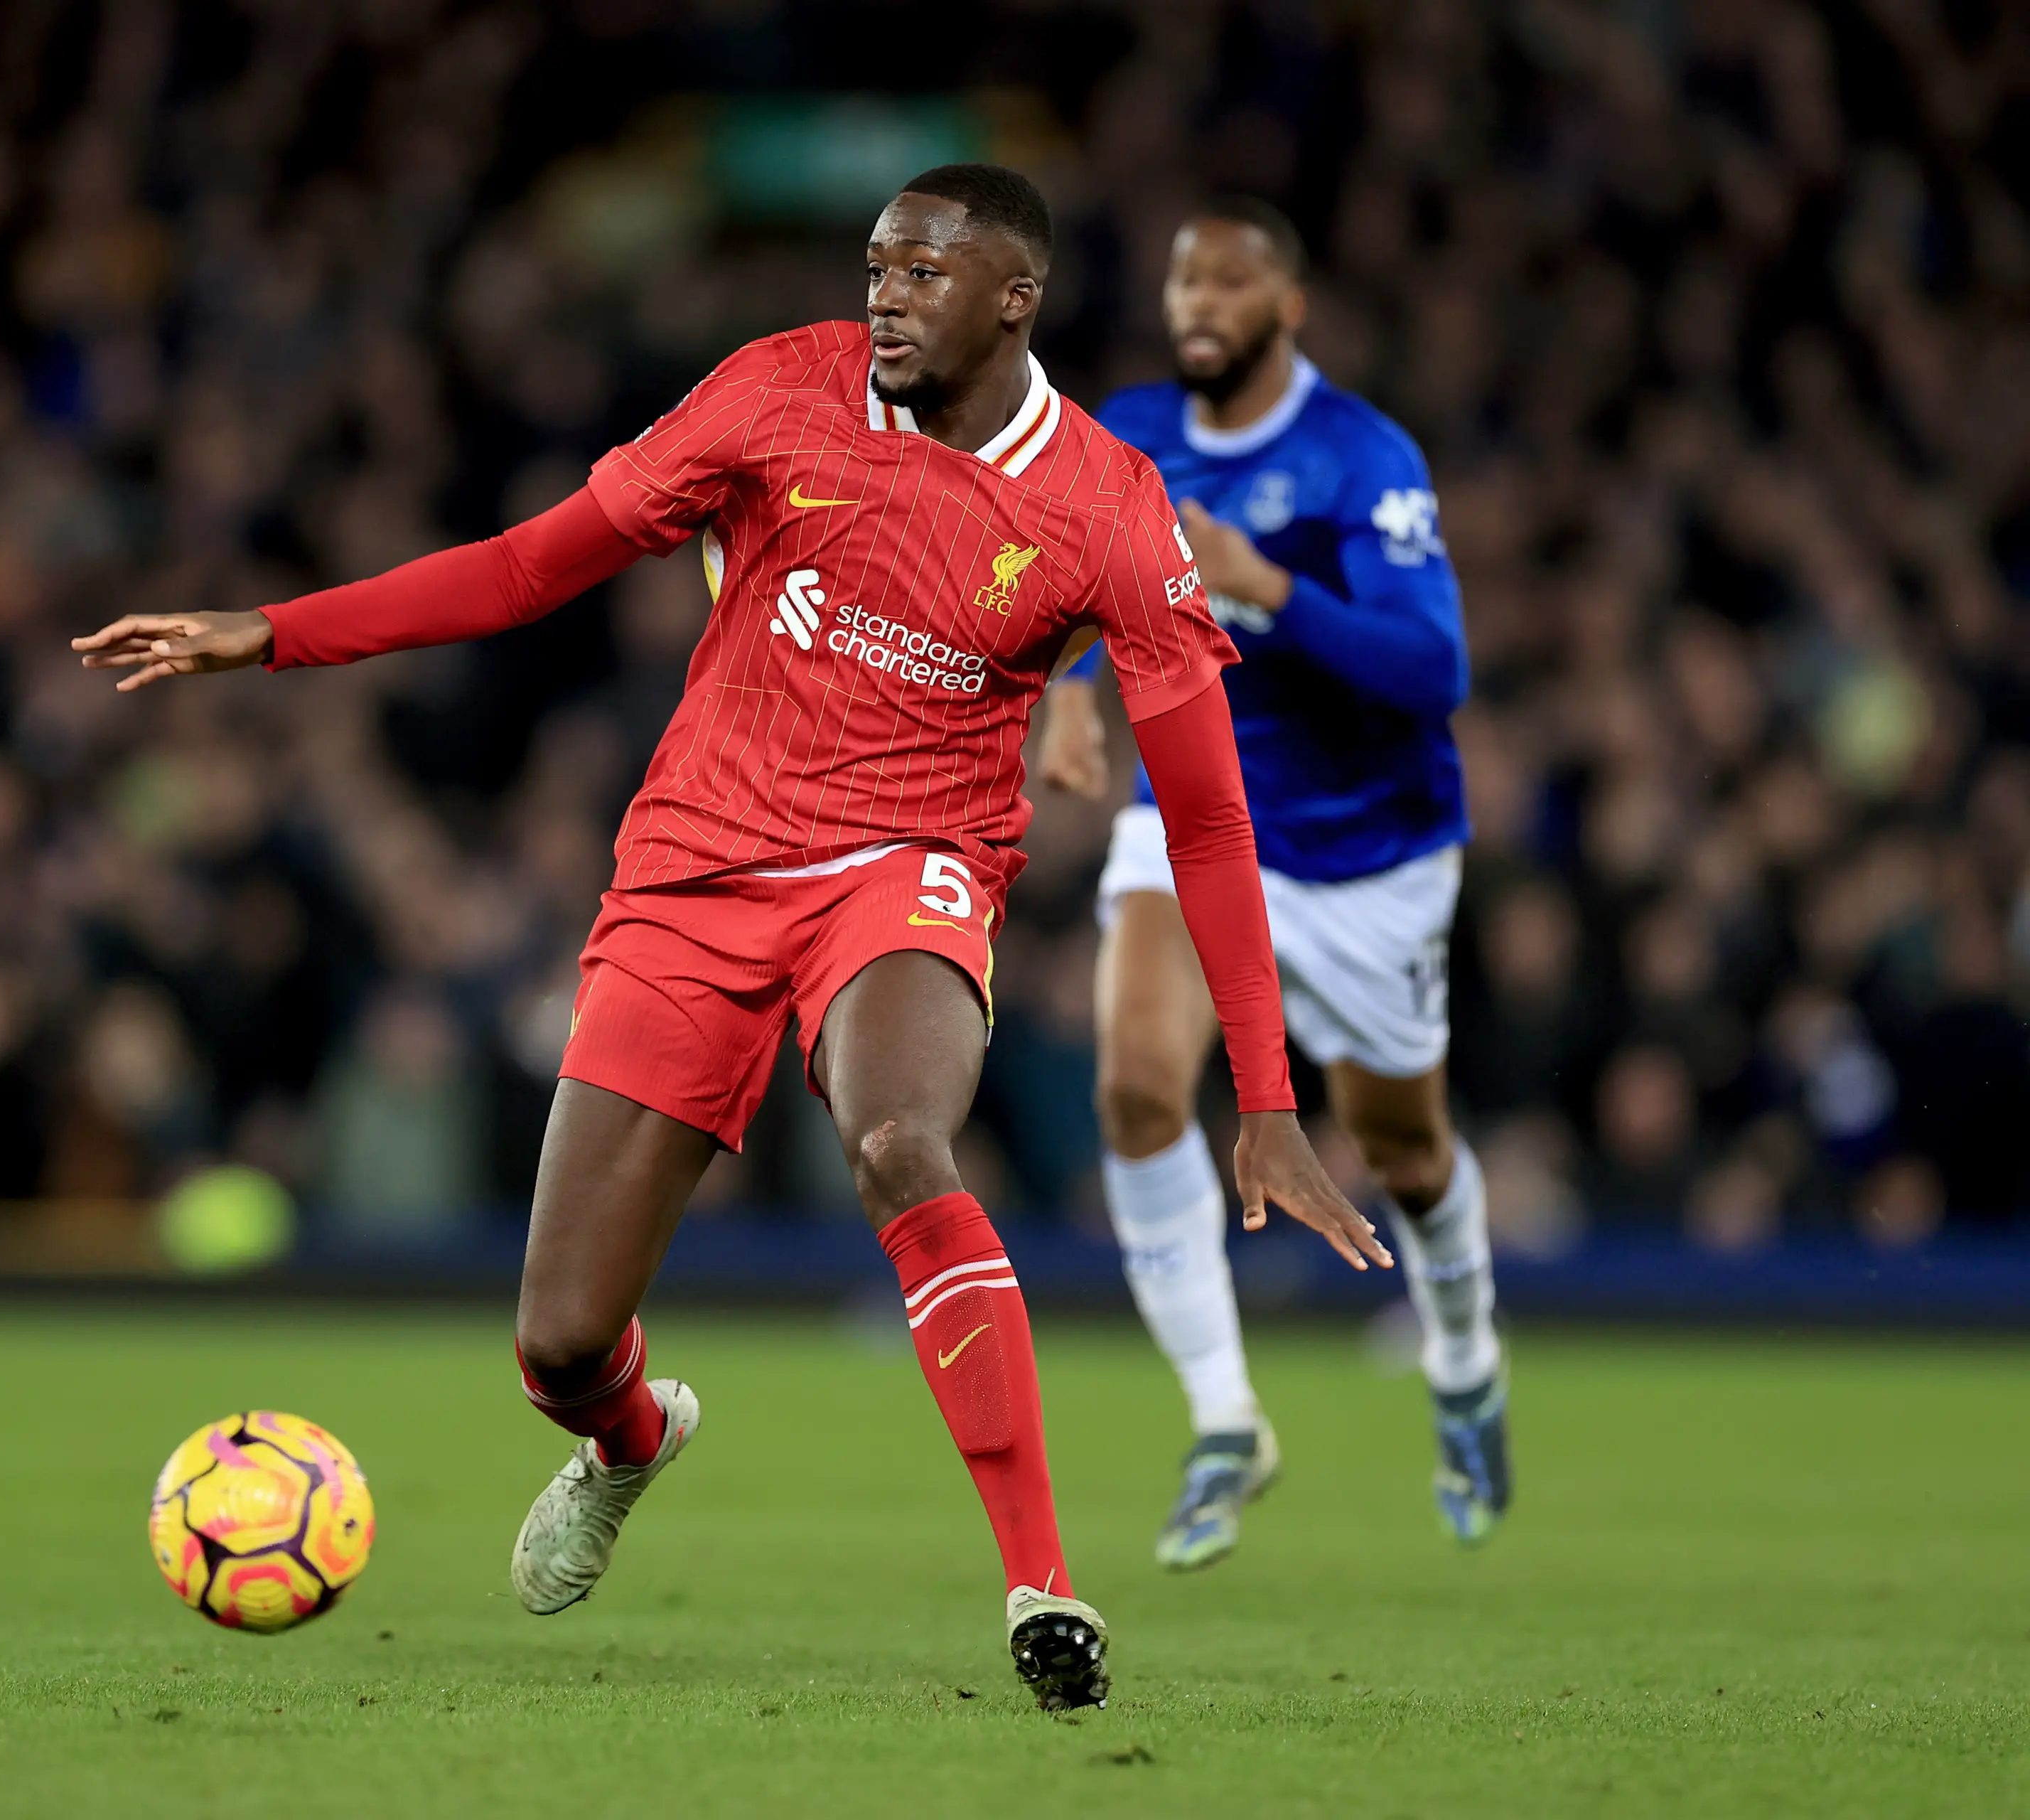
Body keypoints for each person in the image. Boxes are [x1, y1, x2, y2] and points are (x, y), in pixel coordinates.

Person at [75, 165, 1387, 1711]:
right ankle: (631, 1436)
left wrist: (1266, 1093)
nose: (886, 293)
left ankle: (1043, 1581)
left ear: (1014, 297)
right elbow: (527, 565)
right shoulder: (779, 392)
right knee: (561, 1342)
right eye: (879, 264)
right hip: (698, 866)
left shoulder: (1106, 507)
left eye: (924, 271)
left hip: (908, 871)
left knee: (904, 1136)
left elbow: (1217, 822)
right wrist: (272, 632)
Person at [1038, 199, 1509, 1572]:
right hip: (1199, 817)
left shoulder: (1362, 460)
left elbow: (1438, 672)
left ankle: (1467, 1362)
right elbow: (1072, 581)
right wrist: (1070, 697)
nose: (1200, 298)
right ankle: (1227, 1420)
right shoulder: (1130, 428)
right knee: (1133, 1085)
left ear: (1288, 306)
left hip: (1371, 850)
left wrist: (1271, 591)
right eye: (1185, 275)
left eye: (1233, 279)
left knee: (1406, 1153)